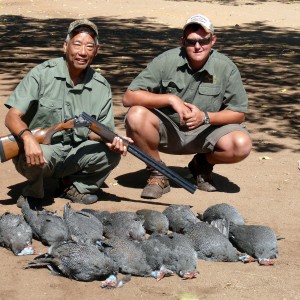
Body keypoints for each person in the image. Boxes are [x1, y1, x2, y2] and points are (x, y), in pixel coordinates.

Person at [123, 14, 252, 199]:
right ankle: (158, 173)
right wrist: (169, 99)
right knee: (135, 115)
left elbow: (239, 113)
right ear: (183, 41)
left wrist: (205, 117)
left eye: (204, 40)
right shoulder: (166, 60)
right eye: (191, 42)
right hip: (168, 131)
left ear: (213, 40)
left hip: (205, 133)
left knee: (241, 144)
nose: (198, 46)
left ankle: (202, 164)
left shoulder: (226, 67)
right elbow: (129, 97)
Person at [4, 19, 132, 207]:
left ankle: (73, 187)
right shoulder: (42, 74)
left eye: (89, 46)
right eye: (77, 44)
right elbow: (11, 117)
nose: (82, 52)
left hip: (75, 152)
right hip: (42, 150)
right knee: (37, 156)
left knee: (111, 154)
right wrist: (28, 138)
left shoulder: (101, 86)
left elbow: (95, 131)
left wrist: (113, 140)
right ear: (65, 46)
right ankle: (32, 193)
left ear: (97, 50)